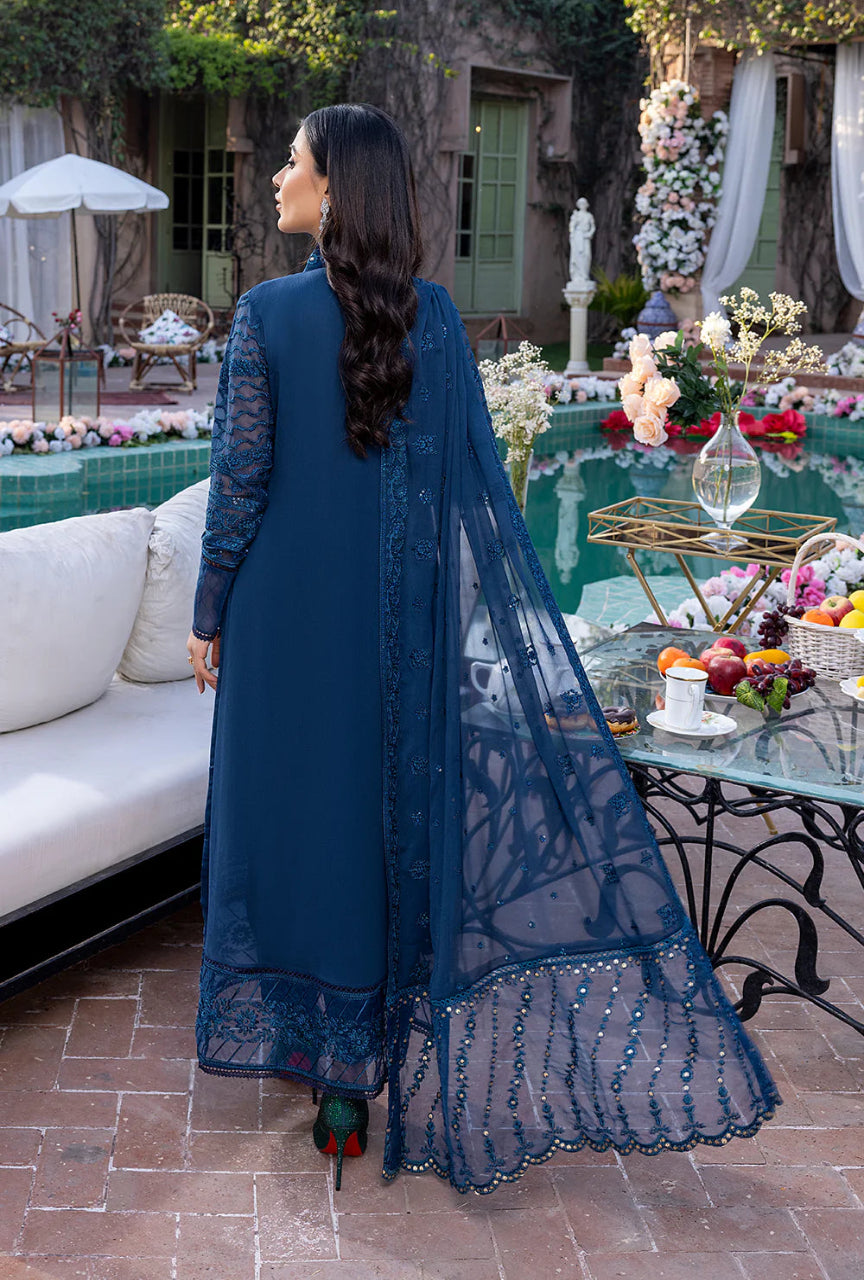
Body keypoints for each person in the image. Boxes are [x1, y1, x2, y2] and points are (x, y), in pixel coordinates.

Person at [187, 103, 781, 1196]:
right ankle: (359, 1067)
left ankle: (322, 1060)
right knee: (378, 818)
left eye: (294, 163)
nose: (277, 177)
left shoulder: (266, 315)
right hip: (394, 626)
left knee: (292, 819)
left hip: (281, 620)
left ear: (336, 187)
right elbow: (469, 501)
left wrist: (208, 609)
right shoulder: (436, 321)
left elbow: (239, 487)